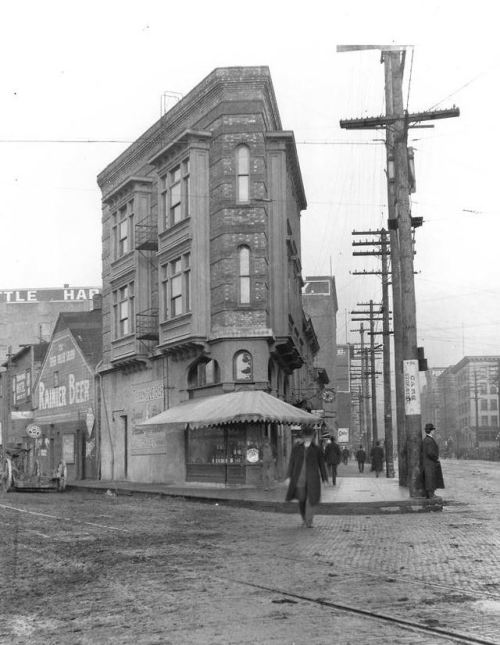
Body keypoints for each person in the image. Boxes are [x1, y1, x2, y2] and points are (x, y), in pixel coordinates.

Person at [285, 426, 328, 528]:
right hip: (299, 479)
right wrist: (288, 476)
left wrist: (325, 479)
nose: (308, 438)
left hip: (312, 479)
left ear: (312, 437)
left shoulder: (317, 449)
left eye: (310, 436)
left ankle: (309, 521)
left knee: (311, 500)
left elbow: (321, 464)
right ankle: (305, 519)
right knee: (302, 500)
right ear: (303, 436)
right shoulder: (297, 448)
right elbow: (292, 462)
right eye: (306, 436)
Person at [422, 423, 445, 498]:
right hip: (430, 462)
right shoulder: (429, 440)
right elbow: (430, 452)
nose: (434, 431)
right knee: (430, 478)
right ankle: (431, 495)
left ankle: (430, 494)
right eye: (433, 430)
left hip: (428, 462)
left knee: (430, 478)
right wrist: (436, 458)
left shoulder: (426, 439)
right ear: (431, 431)